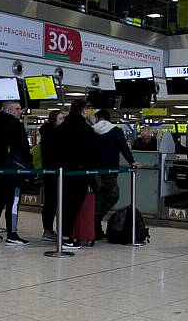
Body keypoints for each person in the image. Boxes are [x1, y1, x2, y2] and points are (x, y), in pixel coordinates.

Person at [0, 100, 31, 246]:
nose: (20, 111)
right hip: (13, 170)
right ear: (9, 110)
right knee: (13, 202)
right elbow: (23, 147)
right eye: (17, 108)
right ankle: (12, 234)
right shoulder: (15, 124)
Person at [93, 109, 142, 242]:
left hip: (94, 171)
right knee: (112, 196)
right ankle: (95, 223)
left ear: (99, 117)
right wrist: (132, 161)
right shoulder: (115, 131)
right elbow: (123, 148)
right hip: (110, 171)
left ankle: (95, 225)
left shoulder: (91, 130)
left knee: (98, 198)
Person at [54, 100, 96, 249]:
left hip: (62, 173)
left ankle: (62, 235)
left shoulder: (61, 128)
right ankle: (68, 238)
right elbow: (90, 156)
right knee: (74, 206)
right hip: (79, 173)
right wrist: (92, 179)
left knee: (64, 204)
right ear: (84, 110)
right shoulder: (86, 129)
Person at [39, 110, 64, 242]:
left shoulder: (49, 133)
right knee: (51, 202)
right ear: (54, 120)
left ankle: (51, 229)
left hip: (54, 171)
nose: (62, 121)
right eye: (60, 119)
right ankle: (47, 230)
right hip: (51, 172)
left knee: (54, 201)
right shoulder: (51, 135)